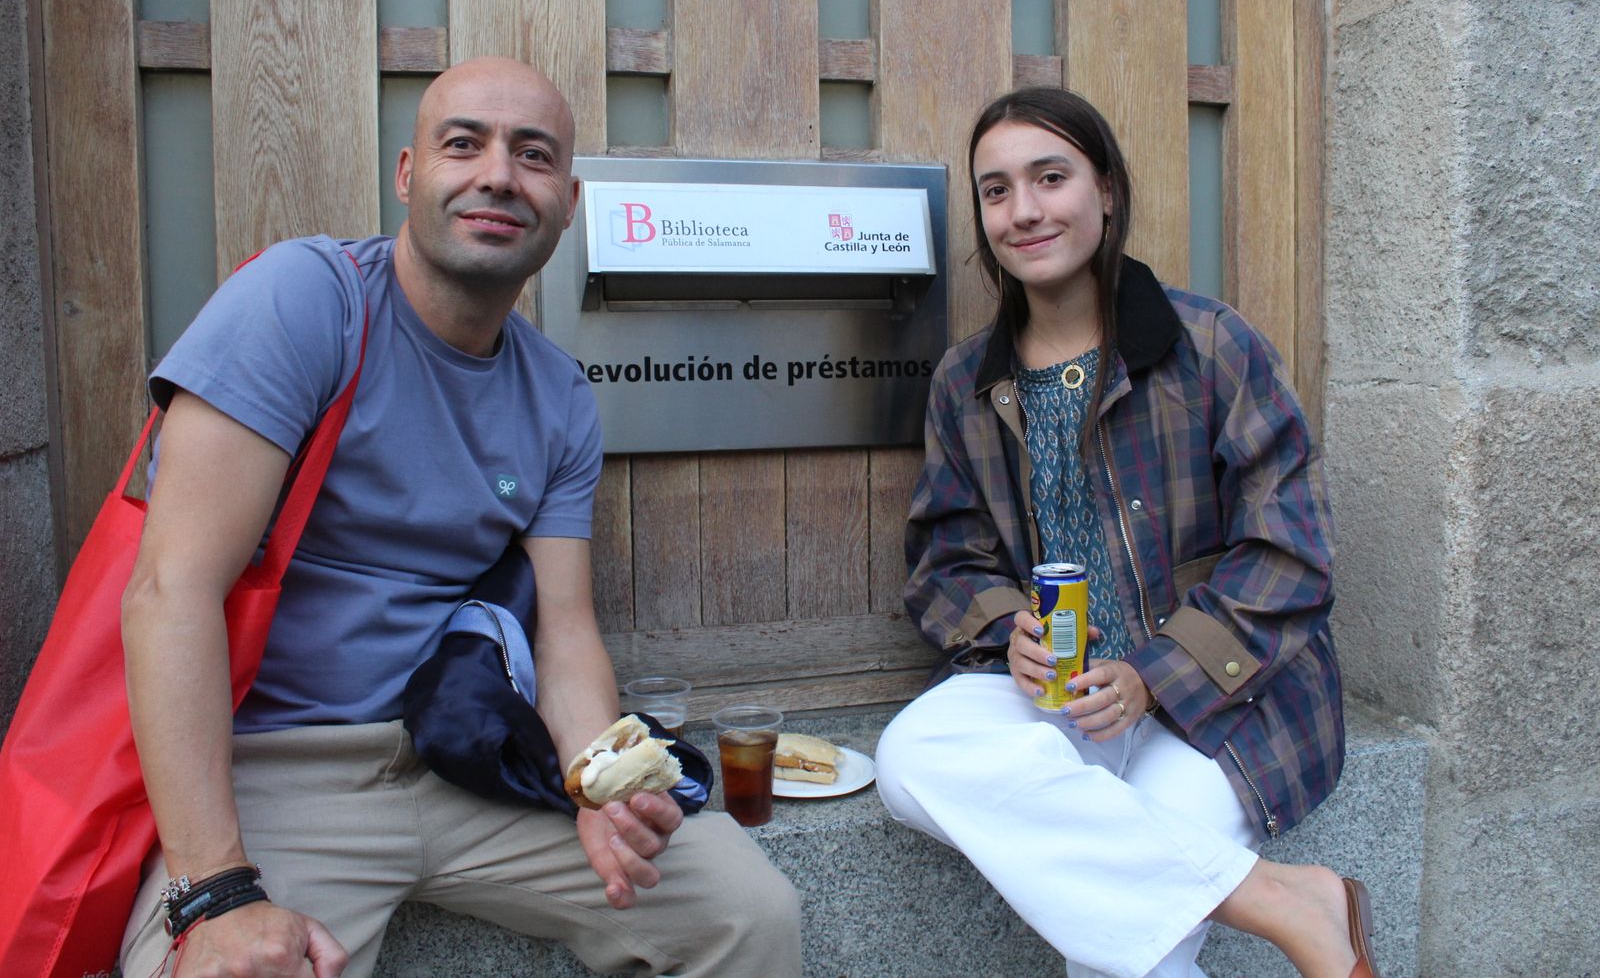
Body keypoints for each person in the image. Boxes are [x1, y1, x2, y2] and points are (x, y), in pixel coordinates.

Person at [118, 57, 802, 978]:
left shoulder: (557, 394)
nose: (497, 175)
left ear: (567, 201)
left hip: (467, 757)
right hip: (277, 768)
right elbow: (170, 590)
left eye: (533, 155)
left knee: (748, 911)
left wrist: (597, 784)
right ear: (408, 174)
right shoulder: (305, 301)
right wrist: (217, 887)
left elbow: (563, 632)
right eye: (463, 144)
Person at [874, 87, 1380, 978]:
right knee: (909, 754)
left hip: (1223, 700)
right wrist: (1005, 631)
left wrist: (1153, 678)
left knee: (1116, 941)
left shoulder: (1211, 345)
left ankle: (1298, 905)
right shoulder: (965, 381)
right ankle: (1291, 898)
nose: (1023, 210)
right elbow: (945, 556)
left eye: (1050, 177)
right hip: (1059, 695)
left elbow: (1290, 558)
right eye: (996, 190)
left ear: (1106, 192)